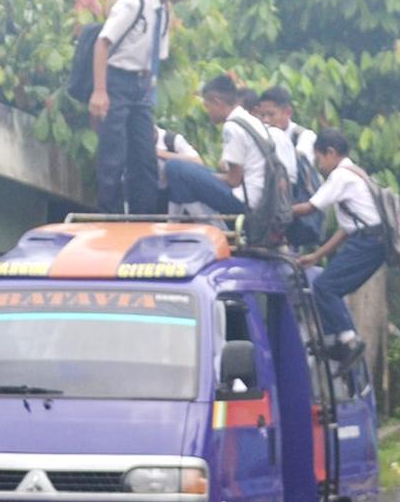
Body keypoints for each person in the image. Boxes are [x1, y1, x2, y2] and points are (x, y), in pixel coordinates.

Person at [89, 0, 202, 214]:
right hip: (116, 81)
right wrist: (99, 91)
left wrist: (147, 96)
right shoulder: (134, 2)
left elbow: (154, 61)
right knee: (113, 157)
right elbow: (102, 43)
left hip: (140, 88)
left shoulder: (162, 13)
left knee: (145, 159)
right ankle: (111, 219)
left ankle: (143, 219)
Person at [291, 128, 386, 370]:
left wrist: (281, 211)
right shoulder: (356, 174)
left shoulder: (341, 175)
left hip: (367, 242)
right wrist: (317, 255)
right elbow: (345, 230)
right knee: (331, 287)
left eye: (319, 159)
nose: (319, 166)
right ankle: (336, 341)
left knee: (325, 286)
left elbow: (312, 207)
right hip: (371, 241)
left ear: (330, 153)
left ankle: (348, 340)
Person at [163, 74, 295, 217]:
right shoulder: (248, 119)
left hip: (245, 201)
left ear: (217, 102)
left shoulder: (232, 127)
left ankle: (210, 225)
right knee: (191, 172)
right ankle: (178, 221)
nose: (208, 112)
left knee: (174, 167)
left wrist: (206, 176)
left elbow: (233, 180)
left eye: (207, 107)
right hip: (261, 198)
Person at [255, 86, 317, 159]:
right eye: (262, 115)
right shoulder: (260, 134)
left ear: (288, 112)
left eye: (271, 114)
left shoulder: (304, 137)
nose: (265, 120)